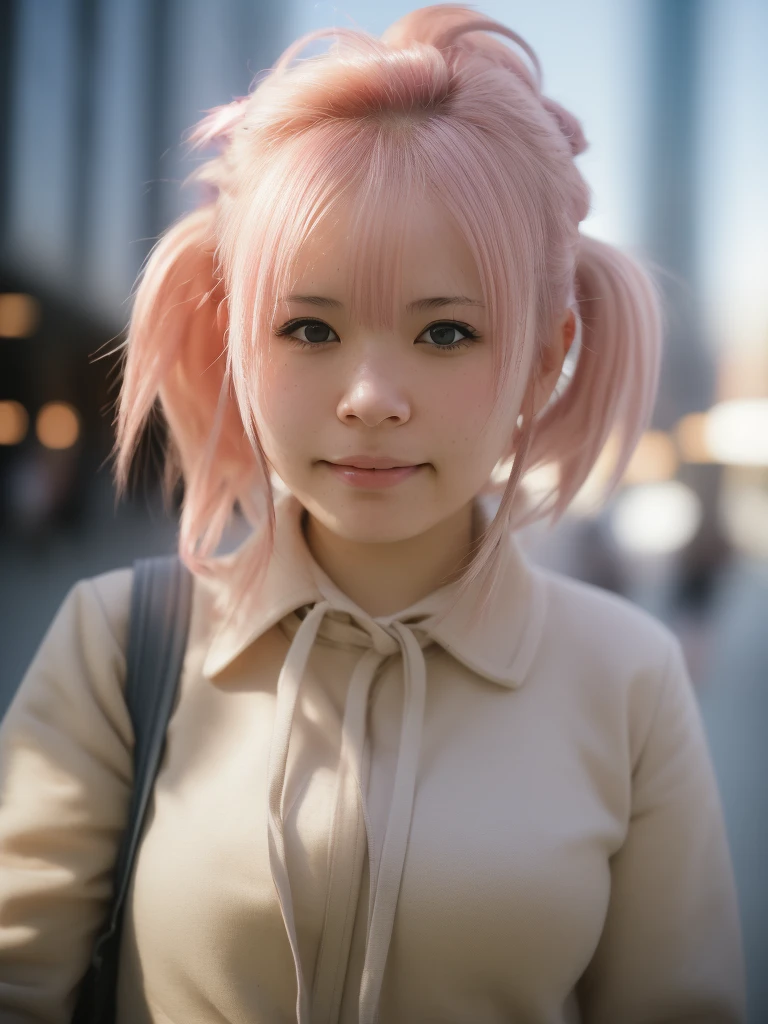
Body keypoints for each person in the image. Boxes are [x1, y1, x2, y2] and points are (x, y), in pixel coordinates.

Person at [0, 5, 746, 1022]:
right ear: (233, 338)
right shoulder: (118, 642)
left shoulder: (629, 681)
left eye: (445, 333)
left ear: (542, 354)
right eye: (309, 326)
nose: (369, 397)